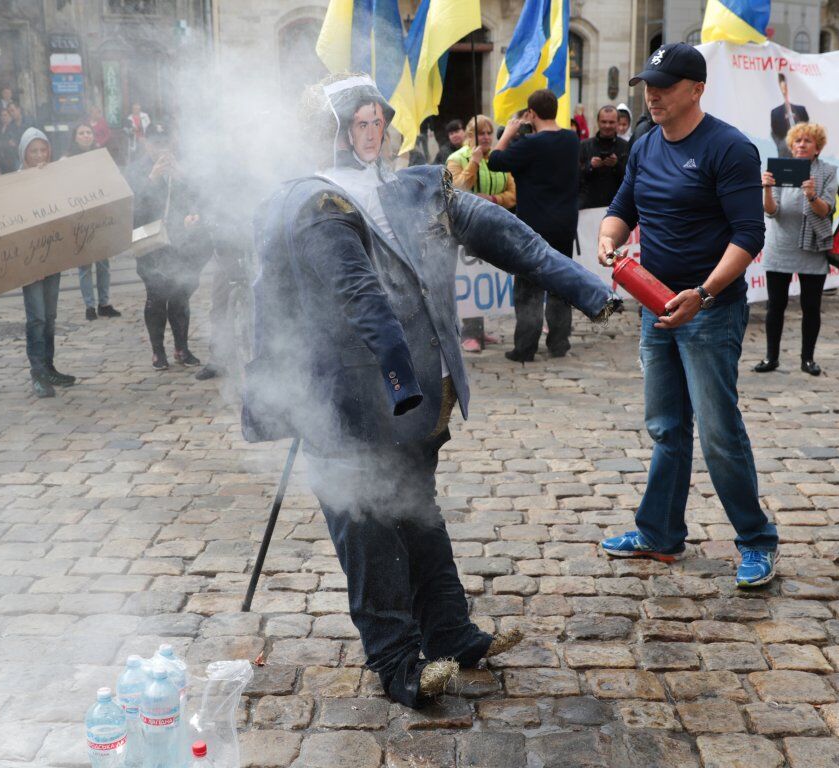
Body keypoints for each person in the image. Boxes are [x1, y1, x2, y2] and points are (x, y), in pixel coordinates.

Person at [243, 73, 621, 710]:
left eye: (378, 121)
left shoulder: (416, 186)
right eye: (358, 123)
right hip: (342, 400)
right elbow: (359, 296)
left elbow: (509, 237)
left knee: (417, 508)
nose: (374, 133)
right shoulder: (311, 201)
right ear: (331, 131)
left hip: (419, 394)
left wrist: (586, 290)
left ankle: (448, 630)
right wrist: (398, 379)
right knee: (367, 525)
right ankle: (396, 661)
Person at [596, 43, 779, 588]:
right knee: (666, 428)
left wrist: (703, 291)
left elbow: (749, 235)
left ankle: (756, 540)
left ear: (696, 90)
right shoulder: (646, 143)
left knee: (719, 432)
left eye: (665, 85)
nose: (652, 94)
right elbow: (622, 209)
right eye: (648, 84)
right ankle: (659, 533)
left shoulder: (730, 149)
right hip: (656, 307)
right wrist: (610, 241)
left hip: (710, 311)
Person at [488, 88, 581, 361]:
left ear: (531, 113)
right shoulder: (572, 140)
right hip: (564, 224)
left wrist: (508, 133)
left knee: (528, 289)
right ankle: (559, 343)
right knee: (560, 286)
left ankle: (525, 348)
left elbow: (495, 161)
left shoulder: (529, 145)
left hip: (533, 228)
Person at [755, 123, 837, 377]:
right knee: (775, 306)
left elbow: (827, 210)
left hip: (812, 248)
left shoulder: (827, 172)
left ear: (817, 148)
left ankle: (808, 359)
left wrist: (812, 196)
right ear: (791, 146)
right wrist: (767, 189)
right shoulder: (779, 169)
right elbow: (772, 211)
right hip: (780, 247)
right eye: (797, 141)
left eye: (807, 141)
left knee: (811, 306)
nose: (801, 145)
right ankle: (771, 357)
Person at [129, 123, 210, 369]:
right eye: (156, 144)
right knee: (156, 296)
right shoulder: (136, 170)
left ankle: (181, 348)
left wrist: (183, 179)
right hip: (152, 244)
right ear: (146, 144)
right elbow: (132, 211)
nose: (162, 149)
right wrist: (152, 178)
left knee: (180, 295)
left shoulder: (184, 166)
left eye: (166, 143)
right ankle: (157, 351)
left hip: (181, 243)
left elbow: (200, 198)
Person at [446, 115, 517, 353]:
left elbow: (512, 193)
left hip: (496, 226)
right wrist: (474, 163)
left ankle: (481, 328)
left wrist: (495, 199)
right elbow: (455, 189)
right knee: (470, 277)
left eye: (488, 133)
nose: (486, 137)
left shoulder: (499, 157)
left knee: (487, 278)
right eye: (480, 133)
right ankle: (469, 331)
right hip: (467, 229)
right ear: (469, 137)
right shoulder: (456, 159)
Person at [16, 128, 75, 397]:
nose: (39, 155)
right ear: (24, 153)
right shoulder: (17, 182)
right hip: (30, 261)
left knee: (49, 316)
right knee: (36, 317)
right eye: (34, 150)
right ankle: (37, 373)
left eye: (43, 150)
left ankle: (49, 366)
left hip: (52, 256)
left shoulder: (54, 177)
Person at [65, 122, 121, 321]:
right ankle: (89, 305)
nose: (86, 135)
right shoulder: (67, 159)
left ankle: (104, 303)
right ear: (75, 137)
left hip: (99, 214)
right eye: (81, 132)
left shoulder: (101, 156)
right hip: (80, 216)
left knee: (103, 262)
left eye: (89, 132)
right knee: (85, 264)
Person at [578, 105, 630, 209]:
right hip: (588, 206)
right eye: (604, 122)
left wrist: (616, 165)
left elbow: (631, 179)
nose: (607, 126)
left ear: (617, 123)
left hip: (616, 207)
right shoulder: (584, 146)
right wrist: (590, 166)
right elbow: (575, 176)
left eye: (611, 122)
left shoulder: (626, 147)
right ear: (598, 122)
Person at [770, 73, 809, 159]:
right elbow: (774, 133)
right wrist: (783, 145)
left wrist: (800, 142)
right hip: (784, 152)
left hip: (801, 154)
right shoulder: (775, 112)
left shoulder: (800, 110)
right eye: (781, 87)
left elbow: (808, 129)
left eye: (785, 87)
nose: (784, 91)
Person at [0, 105, 21, 174]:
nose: (3, 117)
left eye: (5, 115)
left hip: (13, 159)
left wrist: (5, 143)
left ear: (9, 116)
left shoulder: (14, 127)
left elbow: (14, 142)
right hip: (2, 161)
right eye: (2, 115)